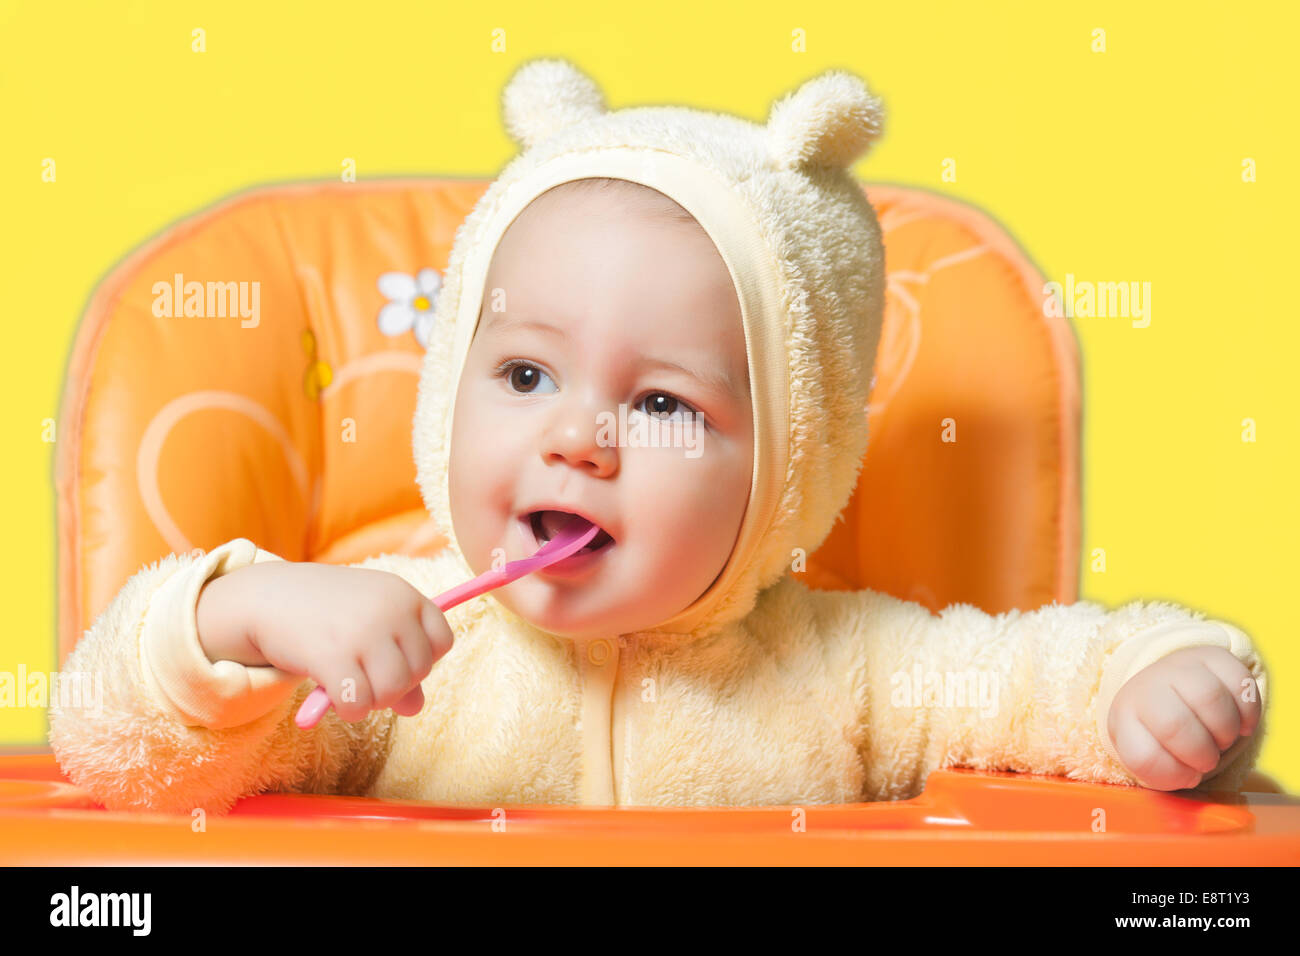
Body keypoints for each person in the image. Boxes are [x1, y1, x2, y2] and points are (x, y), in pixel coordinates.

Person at [48, 59, 1267, 813]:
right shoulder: (394, 661)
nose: (578, 436)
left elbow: (1053, 677)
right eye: (525, 371)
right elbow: (116, 757)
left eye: (664, 403)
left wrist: (1164, 688)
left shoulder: (854, 674)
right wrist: (242, 622)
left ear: (787, 467)